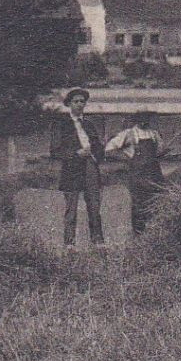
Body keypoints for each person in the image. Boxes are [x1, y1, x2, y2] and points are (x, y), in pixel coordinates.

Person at [52, 88, 105, 246]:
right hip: (71, 169)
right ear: (69, 104)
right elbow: (55, 150)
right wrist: (76, 154)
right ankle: (69, 244)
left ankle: (98, 241)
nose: (80, 104)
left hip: (90, 167)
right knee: (72, 209)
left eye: (82, 101)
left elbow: (98, 147)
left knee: (94, 207)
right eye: (76, 101)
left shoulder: (89, 125)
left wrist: (95, 156)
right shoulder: (62, 125)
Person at [106, 110, 169, 236]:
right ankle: (138, 236)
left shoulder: (154, 134)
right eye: (142, 118)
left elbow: (159, 151)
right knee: (139, 205)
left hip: (154, 174)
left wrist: (163, 151)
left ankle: (155, 235)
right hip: (137, 175)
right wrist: (128, 158)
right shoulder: (129, 134)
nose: (145, 121)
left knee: (157, 203)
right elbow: (109, 149)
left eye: (147, 118)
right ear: (136, 119)